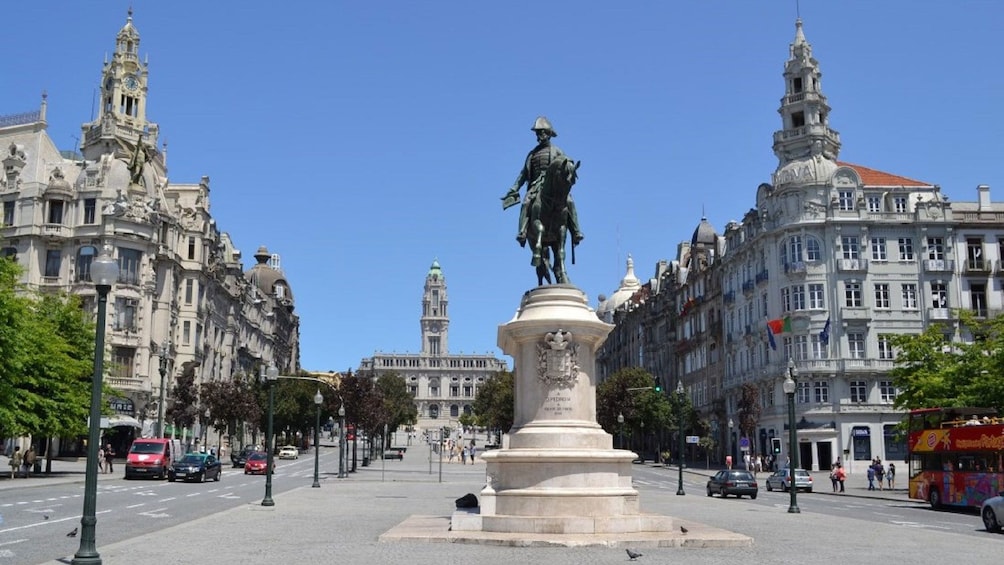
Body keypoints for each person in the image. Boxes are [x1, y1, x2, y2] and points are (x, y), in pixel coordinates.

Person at [501, 116, 584, 247]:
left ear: (549, 134)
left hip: (554, 186)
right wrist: (514, 189)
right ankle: (522, 231)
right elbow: (523, 174)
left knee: (569, 201)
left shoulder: (557, 151)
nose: (540, 135)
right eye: (538, 133)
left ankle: (576, 231)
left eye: (542, 132)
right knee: (526, 202)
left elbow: (567, 164)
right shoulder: (532, 154)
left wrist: (570, 167)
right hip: (536, 186)